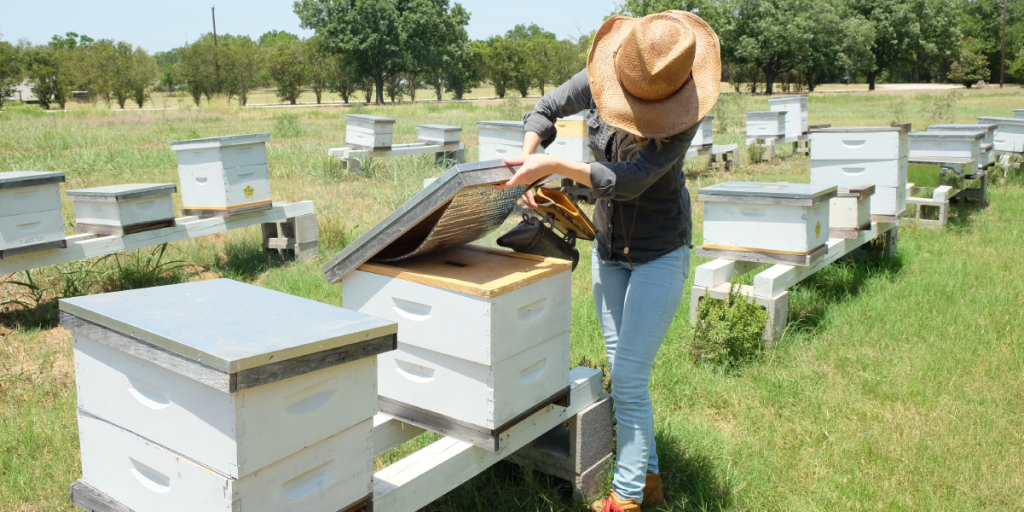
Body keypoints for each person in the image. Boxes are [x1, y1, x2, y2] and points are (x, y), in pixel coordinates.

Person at [496, 10, 721, 512]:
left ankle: (624, 499)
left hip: (660, 252)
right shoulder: (605, 75)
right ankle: (651, 479)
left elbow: (631, 179)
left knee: (631, 380)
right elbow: (547, 107)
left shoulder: (683, 113)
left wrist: (553, 165)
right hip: (607, 246)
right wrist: (529, 158)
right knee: (623, 373)